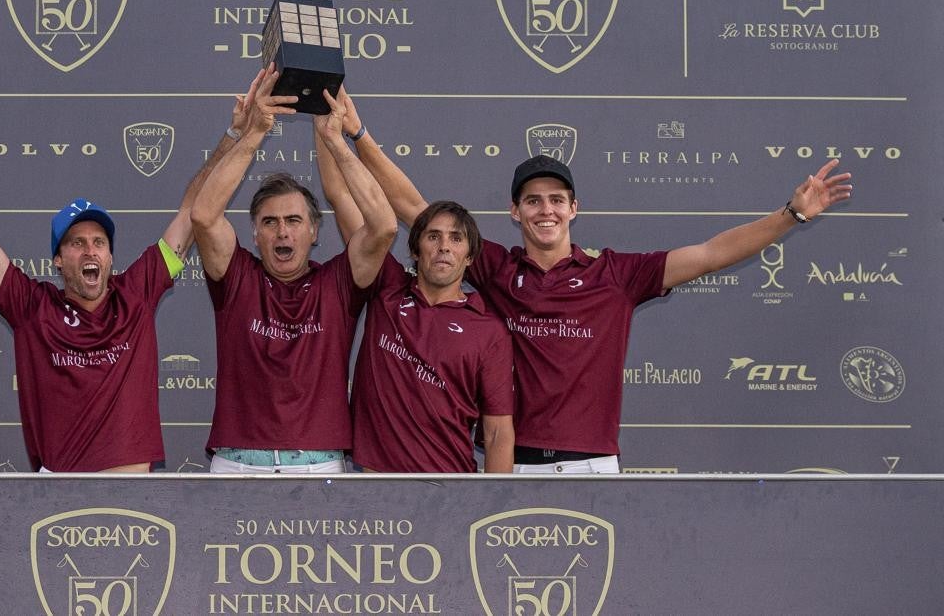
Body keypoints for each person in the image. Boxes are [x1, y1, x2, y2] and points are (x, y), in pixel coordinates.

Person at [348, 107, 853, 474]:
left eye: (556, 200)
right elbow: (415, 209)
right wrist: (360, 135)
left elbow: (711, 253)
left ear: (574, 208)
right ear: (514, 212)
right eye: (532, 201)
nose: (545, 210)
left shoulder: (616, 274)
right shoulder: (495, 267)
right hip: (514, 467)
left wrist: (792, 215)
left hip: (593, 468)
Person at [0, 75, 258, 472]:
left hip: (137, 497)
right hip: (57, 495)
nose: (90, 250)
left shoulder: (138, 291)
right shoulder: (30, 306)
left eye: (99, 242)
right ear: (58, 260)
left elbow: (190, 212)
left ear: (110, 256)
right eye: (76, 243)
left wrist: (233, 135)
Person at [190, 65, 397, 473]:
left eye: (293, 221)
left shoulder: (338, 282)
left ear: (315, 231)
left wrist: (336, 141)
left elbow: (385, 225)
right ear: (254, 234)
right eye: (270, 222)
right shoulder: (237, 278)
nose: (282, 232)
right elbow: (203, 215)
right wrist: (253, 132)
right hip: (237, 464)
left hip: (318, 465)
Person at [314, 100, 514, 473]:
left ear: (470, 257)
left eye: (456, 240)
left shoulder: (489, 331)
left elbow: (499, 432)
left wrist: (492, 502)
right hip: (373, 487)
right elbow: (339, 195)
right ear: (416, 246)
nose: (443, 247)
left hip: (450, 491)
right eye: (434, 236)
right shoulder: (386, 288)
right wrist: (323, 124)